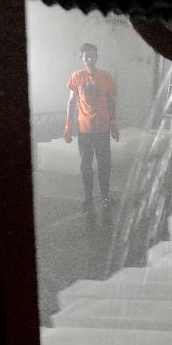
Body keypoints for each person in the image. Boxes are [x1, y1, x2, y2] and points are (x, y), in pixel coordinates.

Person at [64, 43, 118, 220]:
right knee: (86, 166)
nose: (90, 58)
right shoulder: (77, 77)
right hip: (84, 130)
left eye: (93, 55)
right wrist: (68, 124)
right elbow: (72, 101)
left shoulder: (106, 77)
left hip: (102, 129)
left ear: (97, 56)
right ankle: (88, 198)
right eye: (86, 56)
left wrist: (113, 123)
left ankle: (105, 197)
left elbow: (111, 101)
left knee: (104, 165)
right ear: (81, 58)